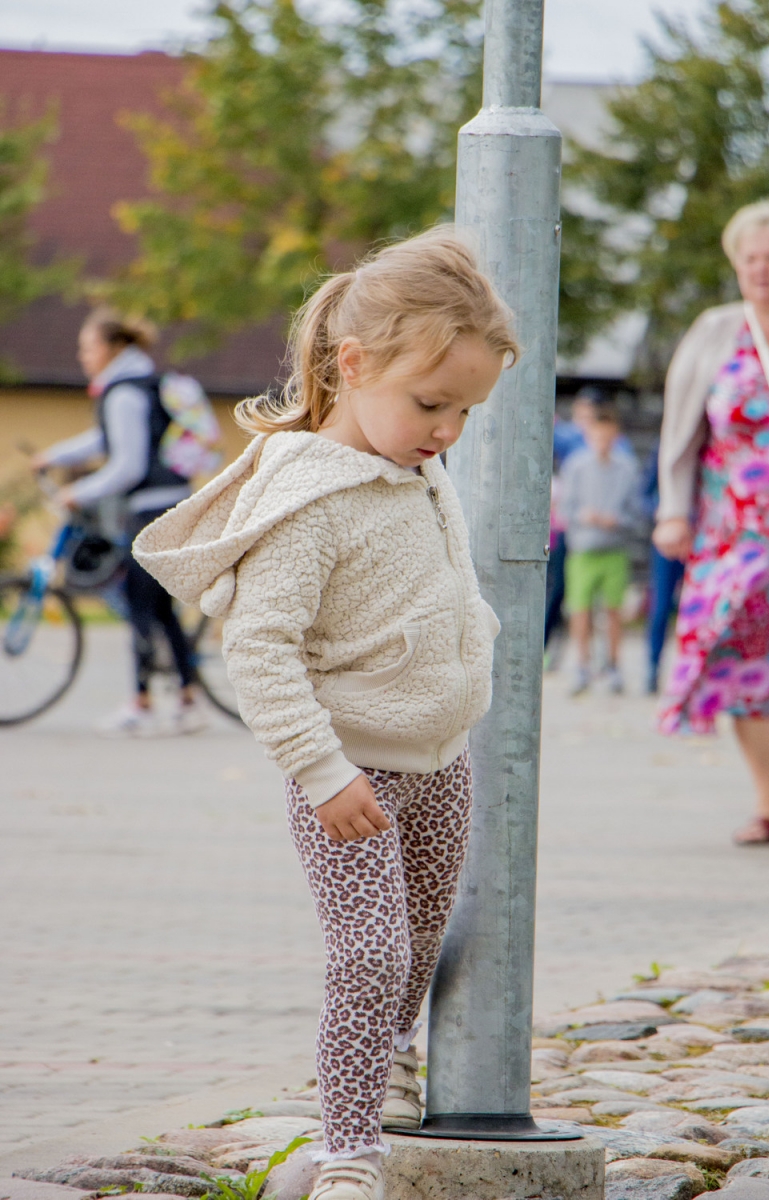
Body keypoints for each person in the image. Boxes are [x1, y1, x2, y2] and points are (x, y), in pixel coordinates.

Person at [132, 230, 515, 1200]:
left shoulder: (415, 466)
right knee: (368, 954)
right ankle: (349, 1154)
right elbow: (260, 650)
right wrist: (323, 771)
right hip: (349, 773)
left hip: (441, 764)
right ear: (354, 366)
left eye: (467, 411)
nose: (448, 432)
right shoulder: (309, 500)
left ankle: (385, 1060)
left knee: (418, 948)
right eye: (433, 405)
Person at [654, 194, 769, 845]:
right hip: (737, 534)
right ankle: (767, 806)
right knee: (747, 662)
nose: (761, 270)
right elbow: (680, 431)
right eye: (749, 258)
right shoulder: (716, 331)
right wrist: (673, 513)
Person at [32, 308, 203, 736]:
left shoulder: (125, 393)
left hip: (152, 509)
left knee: (140, 602)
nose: (82, 356)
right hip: (167, 502)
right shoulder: (136, 386)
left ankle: (143, 703)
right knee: (159, 607)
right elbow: (106, 440)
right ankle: (186, 699)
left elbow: (126, 464)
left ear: (112, 348)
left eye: (87, 347)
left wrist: (78, 491)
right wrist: (56, 455)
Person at [559, 405, 641, 695]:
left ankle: (614, 666)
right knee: (579, 610)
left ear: (615, 436)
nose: (602, 443)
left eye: (607, 438)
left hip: (614, 548)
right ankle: (582, 665)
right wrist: (585, 516)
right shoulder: (576, 466)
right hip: (582, 549)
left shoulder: (627, 468)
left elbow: (637, 514)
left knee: (613, 610)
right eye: (597, 437)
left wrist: (615, 520)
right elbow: (565, 510)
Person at [642, 442, 685, 694]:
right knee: (660, 606)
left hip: (702, 539)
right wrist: (662, 513)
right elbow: (643, 495)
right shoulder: (663, 450)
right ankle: (652, 667)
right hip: (668, 541)